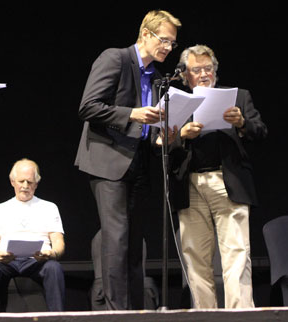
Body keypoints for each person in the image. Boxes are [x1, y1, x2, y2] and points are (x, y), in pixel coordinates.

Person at [74, 10, 181, 310]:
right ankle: (115, 312)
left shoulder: (158, 78)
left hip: (140, 165)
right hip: (108, 162)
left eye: (172, 44)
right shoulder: (116, 58)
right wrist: (131, 114)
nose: (168, 48)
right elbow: (88, 107)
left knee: (136, 245)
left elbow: (147, 130)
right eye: (164, 40)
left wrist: (163, 138)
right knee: (117, 239)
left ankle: (135, 311)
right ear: (145, 34)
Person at [168, 45, 267, 309]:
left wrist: (241, 122)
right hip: (190, 186)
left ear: (216, 71)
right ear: (185, 75)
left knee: (236, 255)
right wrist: (181, 136)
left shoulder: (237, 96)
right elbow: (160, 146)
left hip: (228, 183)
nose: (203, 74)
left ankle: (240, 315)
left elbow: (260, 132)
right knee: (195, 258)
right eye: (196, 70)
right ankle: (205, 314)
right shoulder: (176, 103)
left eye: (208, 69)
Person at [0, 159, 66, 312]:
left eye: (30, 182)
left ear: (36, 184)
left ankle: (57, 317)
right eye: (21, 181)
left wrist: (52, 253)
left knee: (54, 268)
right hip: (8, 261)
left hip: (37, 261)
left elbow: (59, 242)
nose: (25, 186)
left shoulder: (49, 207)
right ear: (12, 182)